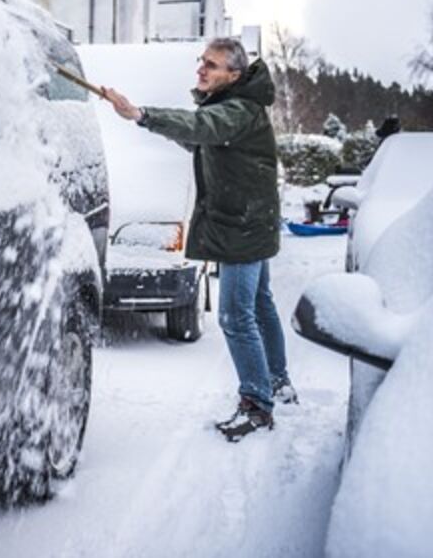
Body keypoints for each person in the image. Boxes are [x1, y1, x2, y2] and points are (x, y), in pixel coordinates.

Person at [102, 38, 296, 443]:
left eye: (212, 65)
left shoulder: (239, 109)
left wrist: (141, 115)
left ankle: (257, 405)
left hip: (242, 227)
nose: (201, 69)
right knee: (260, 305)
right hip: (250, 221)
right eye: (201, 61)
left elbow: (203, 127)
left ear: (234, 75)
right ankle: (277, 382)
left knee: (235, 316)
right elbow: (200, 137)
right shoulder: (234, 108)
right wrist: (151, 123)